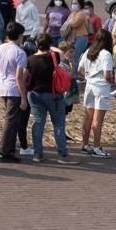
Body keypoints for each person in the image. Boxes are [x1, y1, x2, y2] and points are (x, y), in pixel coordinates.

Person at [25, 34, 78, 164]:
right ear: (49, 45)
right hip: (53, 94)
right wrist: (50, 47)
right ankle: (62, 154)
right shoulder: (53, 56)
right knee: (58, 124)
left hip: (35, 93)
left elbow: (25, 76)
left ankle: (38, 153)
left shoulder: (30, 59)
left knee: (38, 122)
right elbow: (59, 51)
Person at [0, 20, 30, 162]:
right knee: (11, 120)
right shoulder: (20, 53)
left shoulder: (0, 48)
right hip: (14, 88)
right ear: (19, 36)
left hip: (2, 85)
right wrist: (24, 97)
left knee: (12, 119)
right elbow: (19, 76)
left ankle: (9, 149)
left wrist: (2, 76)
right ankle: (5, 151)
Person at [78, 28, 115, 158]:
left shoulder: (89, 51)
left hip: (90, 86)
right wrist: (112, 82)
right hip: (101, 88)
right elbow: (107, 74)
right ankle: (97, 147)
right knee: (97, 120)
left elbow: (80, 69)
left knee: (88, 117)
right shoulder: (106, 54)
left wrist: (89, 76)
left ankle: (85, 144)